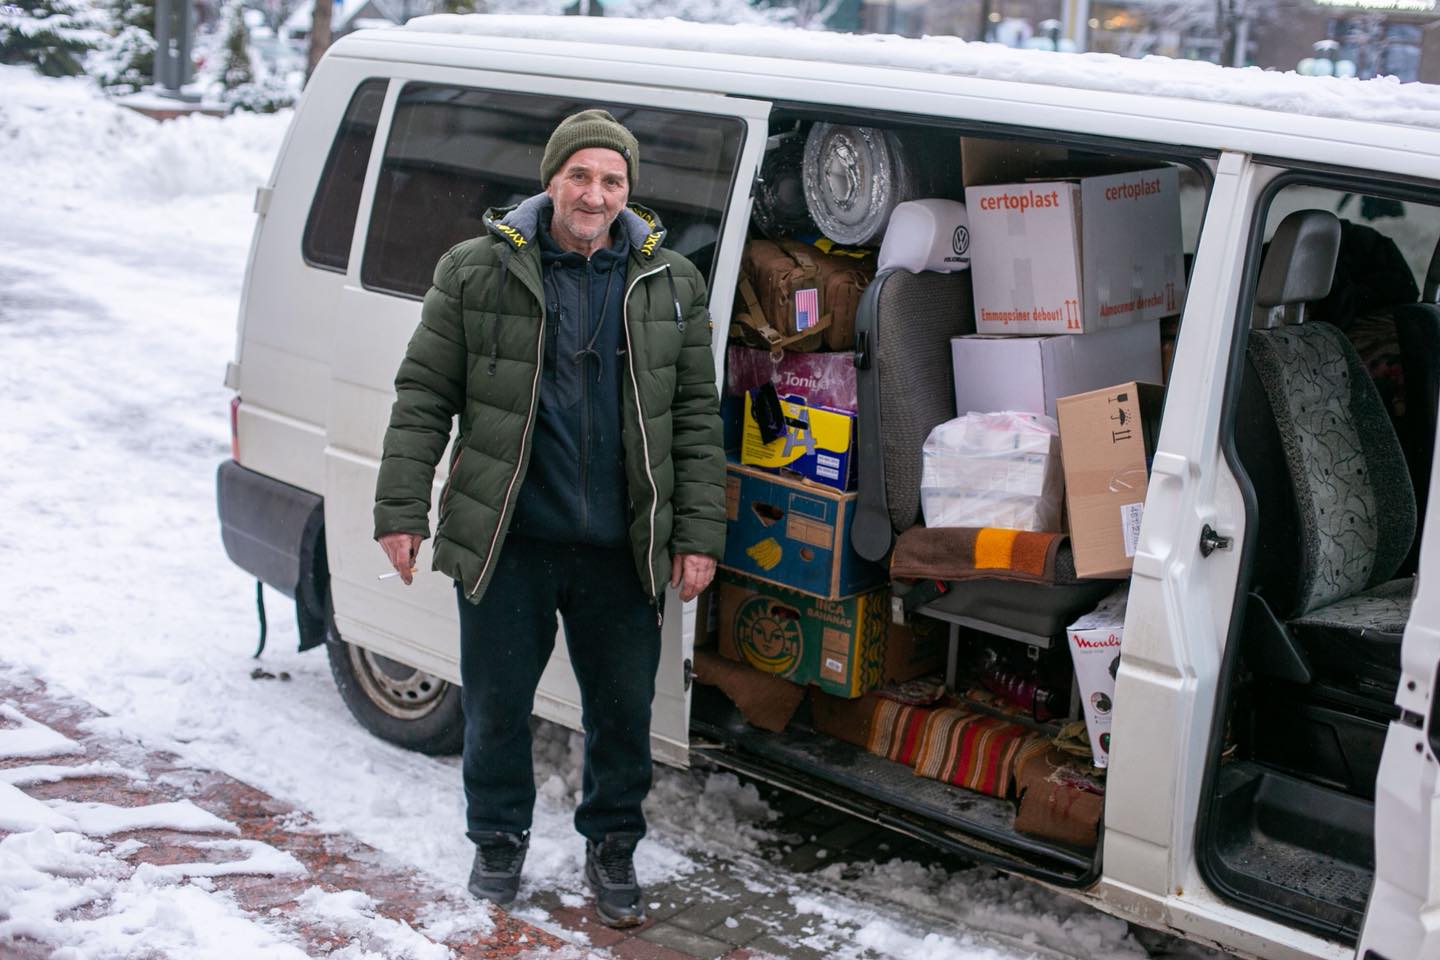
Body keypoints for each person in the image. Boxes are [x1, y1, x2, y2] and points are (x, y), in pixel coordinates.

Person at [371, 109, 725, 928]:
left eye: (612, 180)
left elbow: (697, 419)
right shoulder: (475, 271)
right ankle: (497, 841)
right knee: (496, 706)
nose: (594, 194)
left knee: (621, 716)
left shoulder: (670, 282)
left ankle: (613, 849)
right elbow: (423, 396)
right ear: (551, 179)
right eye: (581, 176)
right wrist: (401, 509)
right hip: (511, 539)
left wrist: (699, 535)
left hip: (622, 549)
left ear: (628, 191)